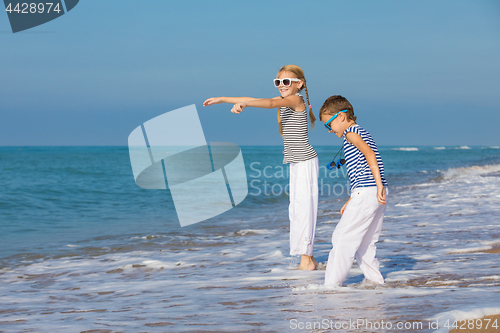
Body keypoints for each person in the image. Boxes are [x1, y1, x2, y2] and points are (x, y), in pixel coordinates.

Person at [203, 65, 319, 270]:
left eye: (286, 82)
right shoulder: (287, 102)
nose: (281, 86)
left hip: (305, 162)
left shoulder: (296, 100)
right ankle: (308, 258)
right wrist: (223, 99)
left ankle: (307, 260)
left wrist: (245, 104)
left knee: (304, 209)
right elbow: (257, 98)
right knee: (296, 209)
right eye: (278, 82)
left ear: (299, 84)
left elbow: (270, 103)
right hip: (296, 162)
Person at [319, 95, 388, 286]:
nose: (329, 130)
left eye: (329, 124)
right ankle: (376, 282)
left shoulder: (351, 133)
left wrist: (376, 185)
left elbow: (369, 154)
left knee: (341, 238)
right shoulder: (361, 131)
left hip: (370, 191)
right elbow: (362, 167)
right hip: (373, 192)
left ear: (341, 117)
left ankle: (331, 286)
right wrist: (355, 196)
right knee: (366, 243)